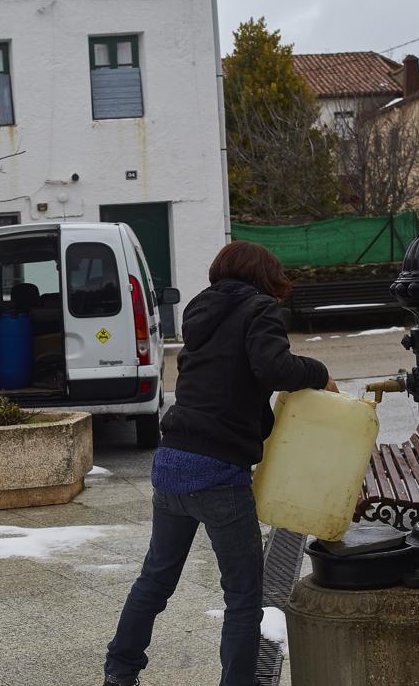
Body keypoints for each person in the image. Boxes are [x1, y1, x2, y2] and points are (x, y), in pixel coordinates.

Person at [103, 241, 335, 686]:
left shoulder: (199, 311)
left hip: (172, 461)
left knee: (155, 580)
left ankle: (119, 671)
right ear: (264, 276)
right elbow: (275, 368)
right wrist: (318, 371)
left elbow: (225, 374)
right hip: (217, 469)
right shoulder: (259, 309)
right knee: (244, 596)